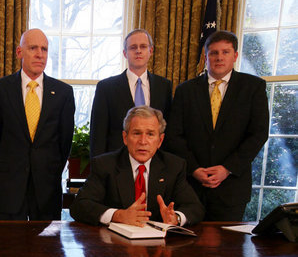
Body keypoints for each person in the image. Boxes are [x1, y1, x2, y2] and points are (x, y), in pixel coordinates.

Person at [165, 30, 269, 221]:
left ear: (235, 55)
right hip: (190, 187)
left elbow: (258, 134)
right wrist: (194, 169)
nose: (219, 57)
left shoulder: (253, 87)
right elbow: (174, 135)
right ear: (206, 57)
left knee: (228, 250)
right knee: (185, 248)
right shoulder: (185, 90)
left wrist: (227, 168)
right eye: (213, 53)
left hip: (231, 188)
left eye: (225, 52)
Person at [0, 28, 75, 220]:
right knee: (8, 247)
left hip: (47, 188)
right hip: (10, 187)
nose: (39, 54)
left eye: (44, 49)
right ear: (19, 52)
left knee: (46, 248)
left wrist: (48, 168)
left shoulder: (63, 93)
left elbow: (65, 141)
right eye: (33, 48)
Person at [70, 106, 204, 226]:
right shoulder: (105, 165)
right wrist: (118, 215)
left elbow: (195, 207)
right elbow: (79, 206)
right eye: (136, 133)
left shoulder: (174, 166)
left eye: (150, 134)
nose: (143, 141)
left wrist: (176, 218)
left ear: (160, 140)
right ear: (125, 137)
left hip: (158, 246)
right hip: (115, 245)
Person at [89, 29, 172, 158]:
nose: (138, 51)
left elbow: (167, 131)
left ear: (150, 51)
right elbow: (97, 136)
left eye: (143, 46)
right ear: (125, 53)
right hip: (116, 166)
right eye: (133, 47)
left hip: (155, 165)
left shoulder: (164, 86)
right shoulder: (106, 88)